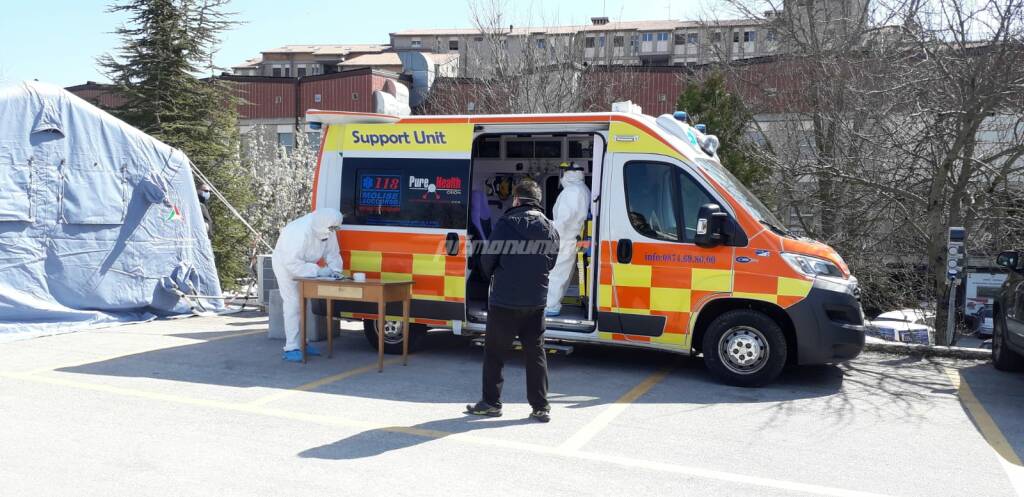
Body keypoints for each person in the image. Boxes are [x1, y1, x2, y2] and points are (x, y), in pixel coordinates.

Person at [466, 180, 559, 422]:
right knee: (535, 354)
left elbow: (488, 260)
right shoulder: (550, 227)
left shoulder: (505, 224)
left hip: (504, 302)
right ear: (537, 201)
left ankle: (490, 404)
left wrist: (493, 275)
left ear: (517, 199)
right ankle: (541, 407)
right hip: (536, 303)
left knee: (495, 354)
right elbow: (551, 262)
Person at [271, 208, 344, 362]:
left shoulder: (327, 227)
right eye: (331, 229)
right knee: (293, 303)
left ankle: (303, 342)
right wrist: (318, 271)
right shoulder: (298, 231)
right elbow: (291, 263)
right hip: (286, 266)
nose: (332, 232)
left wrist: (336, 271)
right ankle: (291, 347)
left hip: (306, 266)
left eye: (334, 229)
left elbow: (332, 253)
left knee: (303, 304)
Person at [545, 163, 591, 316]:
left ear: (567, 174)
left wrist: (549, 231)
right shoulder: (583, 189)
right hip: (574, 237)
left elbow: (564, 219)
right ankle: (553, 304)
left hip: (564, 237)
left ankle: (550, 306)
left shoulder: (571, 191)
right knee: (563, 273)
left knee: (556, 273)